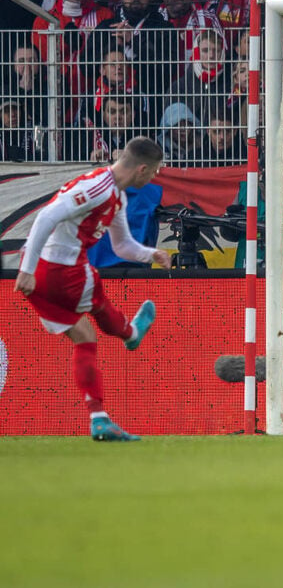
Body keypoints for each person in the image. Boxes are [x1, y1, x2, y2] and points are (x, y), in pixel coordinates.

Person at [13, 136, 172, 442]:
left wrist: (150, 253)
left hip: (46, 277)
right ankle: (131, 334)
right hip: (60, 269)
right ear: (141, 169)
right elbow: (46, 216)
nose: (154, 178)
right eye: (154, 172)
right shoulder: (98, 187)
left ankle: (98, 418)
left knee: (85, 337)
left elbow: (122, 246)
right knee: (98, 299)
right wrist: (27, 270)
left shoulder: (116, 197)